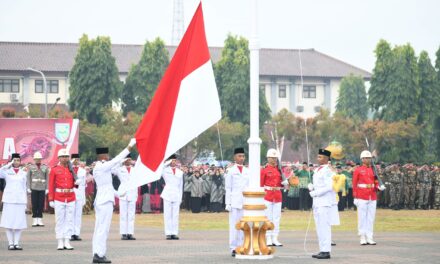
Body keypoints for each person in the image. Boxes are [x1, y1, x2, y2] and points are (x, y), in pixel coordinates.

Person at [92, 138, 135, 264]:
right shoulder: (101, 167)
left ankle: (97, 253)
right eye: (107, 154)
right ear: (103, 156)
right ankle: (99, 254)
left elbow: (108, 186)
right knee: (102, 229)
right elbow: (117, 160)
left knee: (100, 228)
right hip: (104, 201)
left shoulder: (102, 167)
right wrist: (129, 146)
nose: (109, 156)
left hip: (104, 199)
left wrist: (119, 194)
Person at [353, 150, 386, 245]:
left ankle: (369, 236)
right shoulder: (358, 170)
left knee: (371, 217)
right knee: (362, 217)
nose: (368, 160)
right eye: (366, 158)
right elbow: (354, 184)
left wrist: (379, 187)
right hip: (362, 195)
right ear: (362, 159)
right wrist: (355, 197)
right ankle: (362, 236)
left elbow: (375, 181)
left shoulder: (373, 169)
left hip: (372, 195)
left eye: (369, 158)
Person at [308, 149, 335, 259]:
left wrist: (315, 193)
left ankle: (326, 250)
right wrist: (312, 187)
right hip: (317, 203)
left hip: (324, 202)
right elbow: (319, 184)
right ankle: (322, 249)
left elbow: (329, 187)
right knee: (319, 227)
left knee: (324, 227)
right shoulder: (317, 170)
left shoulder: (328, 170)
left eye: (321, 157)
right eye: (318, 156)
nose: (318, 158)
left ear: (327, 158)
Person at [47, 149, 77, 250]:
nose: (65, 158)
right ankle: (60, 241)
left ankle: (67, 241)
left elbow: (75, 184)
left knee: (69, 220)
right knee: (59, 220)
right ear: (59, 158)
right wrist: (50, 199)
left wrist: (78, 183)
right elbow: (51, 185)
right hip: (59, 197)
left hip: (71, 197)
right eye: (63, 156)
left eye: (67, 156)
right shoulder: (54, 169)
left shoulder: (71, 169)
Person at [224, 147, 249, 257]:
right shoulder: (231, 171)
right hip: (234, 201)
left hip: (245, 201)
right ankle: (233, 247)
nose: (241, 158)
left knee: (244, 225)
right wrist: (227, 203)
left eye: (243, 156)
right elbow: (228, 188)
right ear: (235, 157)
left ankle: (242, 245)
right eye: (239, 156)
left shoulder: (247, 171)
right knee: (234, 225)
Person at [0, 153, 27, 250]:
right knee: (9, 222)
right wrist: (8, 164)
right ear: (12, 161)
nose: (16, 162)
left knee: (19, 223)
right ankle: (10, 243)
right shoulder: (6, 171)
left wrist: (25, 203)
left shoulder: (23, 172)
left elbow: (24, 187)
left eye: (18, 160)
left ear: (20, 162)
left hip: (20, 200)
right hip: (9, 200)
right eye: (14, 160)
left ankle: (16, 243)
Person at [261, 148, 284, 247]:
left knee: (277, 218)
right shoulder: (264, 170)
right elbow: (261, 184)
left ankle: (275, 237)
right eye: (272, 158)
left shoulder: (279, 170)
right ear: (268, 158)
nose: (274, 160)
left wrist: (286, 183)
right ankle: (268, 237)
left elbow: (281, 183)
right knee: (268, 217)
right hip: (267, 195)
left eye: (275, 158)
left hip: (277, 195)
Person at [112, 154, 138, 240]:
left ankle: (130, 233)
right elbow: (112, 170)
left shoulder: (135, 170)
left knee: (131, 215)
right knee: (123, 214)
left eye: (129, 159)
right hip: (123, 192)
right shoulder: (120, 169)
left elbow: (136, 183)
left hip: (132, 192)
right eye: (126, 159)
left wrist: (136, 194)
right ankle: (123, 233)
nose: (128, 161)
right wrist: (120, 162)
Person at [160, 154, 183, 240]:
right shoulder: (165, 170)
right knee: (167, 214)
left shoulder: (180, 172)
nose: (173, 162)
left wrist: (180, 198)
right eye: (172, 160)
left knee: (175, 215)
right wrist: (167, 162)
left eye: (174, 160)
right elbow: (159, 168)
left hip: (176, 194)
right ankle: (168, 233)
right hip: (167, 194)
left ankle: (174, 233)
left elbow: (180, 186)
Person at [26, 151, 49, 227]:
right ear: (34, 159)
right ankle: (35, 218)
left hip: (42, 188)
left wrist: (47, 188)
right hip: (34, 187)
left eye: (39, 159)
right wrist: (28, 187)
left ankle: (40, 219)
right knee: (34, 203)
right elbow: (28, 178)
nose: (38, 160)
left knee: (41, 204)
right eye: (36, 159)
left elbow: (47, 178)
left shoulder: (45, 167)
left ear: (41, 159)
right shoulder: (31, 167)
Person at [71, 154, 86, 241]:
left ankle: (76, 233)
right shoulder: (68, 169)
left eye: (78, 159)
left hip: (79, 194)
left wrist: (83, 197)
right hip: (71, 193)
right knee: (71, 214)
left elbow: (83, 185)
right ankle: (71, 233)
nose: (76, 161)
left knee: (78, 215)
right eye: (75, 159)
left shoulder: (82, 171)